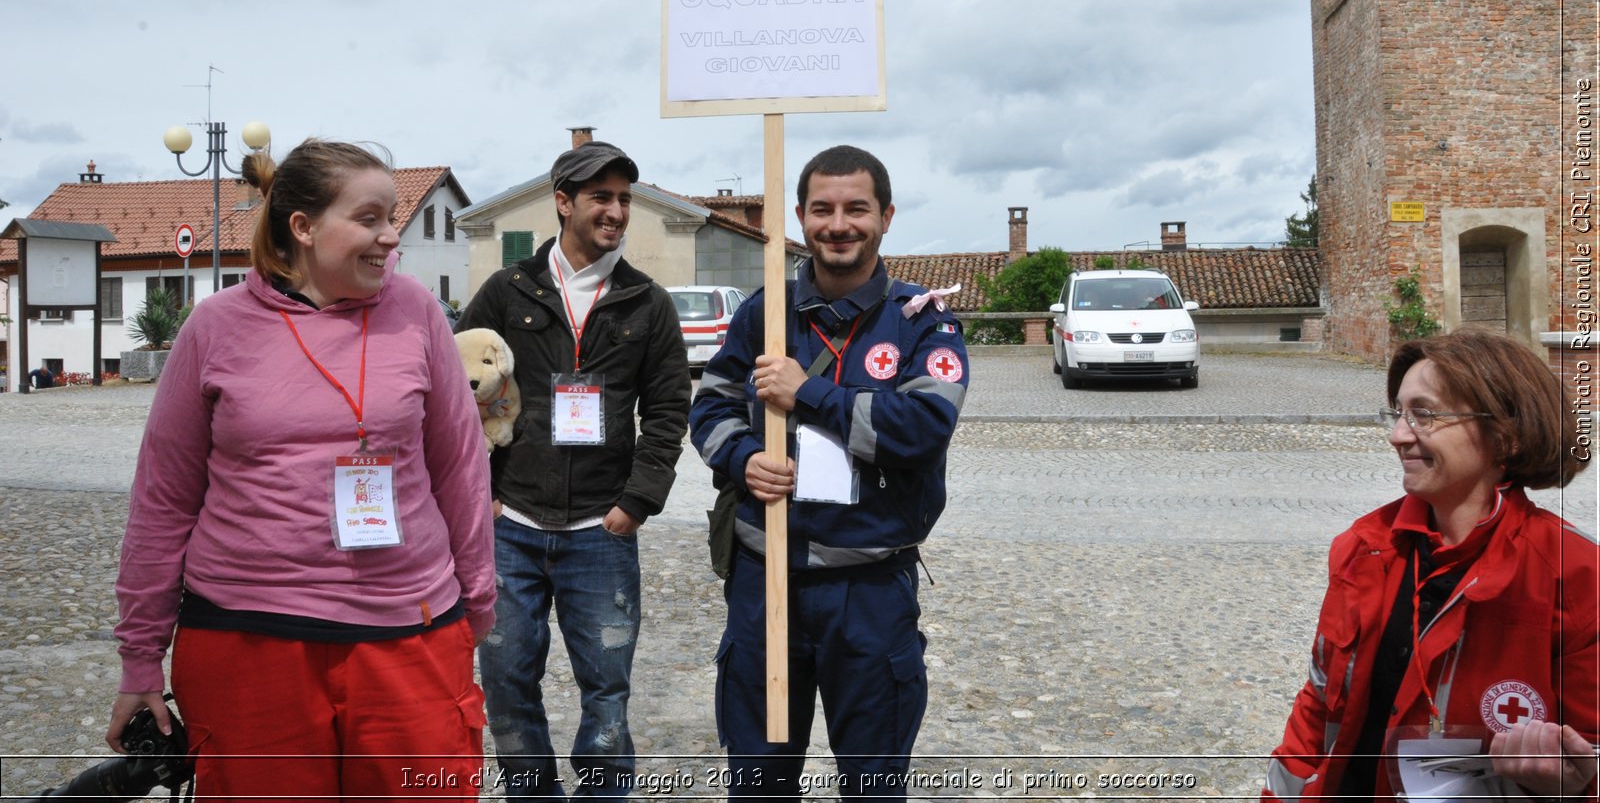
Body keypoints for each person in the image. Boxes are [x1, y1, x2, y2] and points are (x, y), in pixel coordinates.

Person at [107, 139, 495, 798]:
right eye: (370, 217)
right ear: (303, 227)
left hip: (409, 635)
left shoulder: (419, 313)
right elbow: (164, 500)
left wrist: (474, 608)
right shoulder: (215, 327)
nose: (391, 235)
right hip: (248, 642)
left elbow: (459, 465)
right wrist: (141, 657)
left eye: (393, 216)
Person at [690, 144, 969, 800]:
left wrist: (807, 393)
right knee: (759, 787)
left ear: (886, 216)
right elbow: (712, 404)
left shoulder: (923, 320)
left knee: (872, 789)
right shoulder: (765, 311)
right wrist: (742, 459)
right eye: (822, 209)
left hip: (870, 591)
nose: (838, 224)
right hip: (767, 584)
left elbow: (922, 429)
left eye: (856, 209)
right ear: (801, 216)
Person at [1264, 329, 1597, 801]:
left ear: (1506, 438)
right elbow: (1319, 708)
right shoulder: (1364, 548)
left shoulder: (1578, 575)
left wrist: (1570, 785)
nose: (1397, 435)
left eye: (1424, 414)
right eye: (1398, 413)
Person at [455, 139, 690, 799]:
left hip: (601, 530)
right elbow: (460, 393)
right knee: (506, 683)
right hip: (511, 526)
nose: (616, 210)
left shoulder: (647, 303)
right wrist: (483, 495)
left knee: (607, 691)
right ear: (563, 202)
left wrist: (637, 501)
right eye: (601, 197)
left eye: (623, 199)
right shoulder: (507, 291)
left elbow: (669, 410)